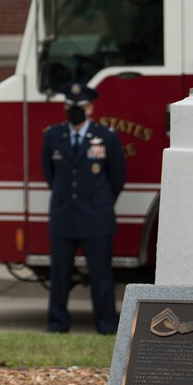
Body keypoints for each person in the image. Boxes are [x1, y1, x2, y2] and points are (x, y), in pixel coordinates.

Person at [41, 82, 126, 335]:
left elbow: (117, 177)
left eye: (78, 106)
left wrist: (100, 203)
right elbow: (50, 175)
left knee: (101, 276)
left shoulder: (107, 137)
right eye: (69, 106)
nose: (73, 110)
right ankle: (57, 325)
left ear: (90, 107)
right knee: (59, 276)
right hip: (63, 215)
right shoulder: (53, 136)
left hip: (96, 217)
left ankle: (106, 325)